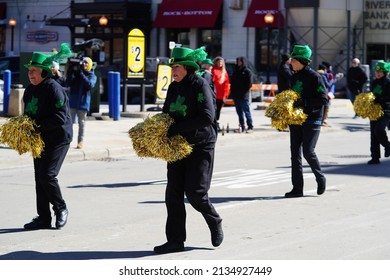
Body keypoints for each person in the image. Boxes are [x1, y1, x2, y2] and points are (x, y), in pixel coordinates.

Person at [154, 47, 223, 254]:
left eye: (176, 67)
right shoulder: (174, 87)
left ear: (186, 67)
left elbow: (207, 117)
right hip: (178, 145)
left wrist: (177, 127)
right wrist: (157, 128)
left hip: (201, 144)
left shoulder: (199, 84)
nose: (173, 71)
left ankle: (214, 220)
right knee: (173, 193)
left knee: (196, 193)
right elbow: (167, 113)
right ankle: (175, 240)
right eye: (171, 67)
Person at [22, 51, 73, 230]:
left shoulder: (54, 88)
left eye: (34, 71)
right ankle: (43, 218)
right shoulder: (29, 90)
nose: (31, 74)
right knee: (39, 178)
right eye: (29, 71)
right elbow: (27, 115)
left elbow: (60, 117)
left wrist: (37, 126)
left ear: (44, 72)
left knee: (47, 175)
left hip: (59, 138)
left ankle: (61, 208)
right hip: (40, 139)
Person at [285, 45, 328, 198]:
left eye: (294, 60)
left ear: (302, 61)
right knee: (294, 154)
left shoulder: (315, 77)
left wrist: (304, 102)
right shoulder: (294, 76)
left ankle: (320, 177)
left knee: (308, 152)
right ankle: (297, 188)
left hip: (312, 119)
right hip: (295, 119)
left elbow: (323, 99)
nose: (291, 62)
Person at [66, 57, 97, 149]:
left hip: (83, 103)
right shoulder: (76, 74)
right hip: (73, 101)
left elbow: (89, 85)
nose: (84, 64)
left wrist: (81, 74)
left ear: (90, 65)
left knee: (82, 123)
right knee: (69, 122)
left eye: (86, 63)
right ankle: (68, 141)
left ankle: (80, 142)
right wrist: (70, 72)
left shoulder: (92, 75)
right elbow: (68, 83)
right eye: (83, 63)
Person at [367, 61, 390, 164]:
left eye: (380, 71)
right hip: (374, 110)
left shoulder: (388, 82)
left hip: (386, 110)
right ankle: (375, 157)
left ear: (384, 72)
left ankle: (387, 146)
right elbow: (371, 95)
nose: (377, 73)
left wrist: (380, 99)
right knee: (373, 134)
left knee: (378, 130)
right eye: (376, 71)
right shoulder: (374, 82)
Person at [230, 56, 254, 133]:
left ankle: (250, 127)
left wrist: (243, 91)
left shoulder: (247, 71)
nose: (238, 63)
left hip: (244, 96)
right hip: (236, 96)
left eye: (240, 61)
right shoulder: (235, 71)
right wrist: (232, 93)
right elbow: (232, 83)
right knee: (239, 112)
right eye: (237, 61)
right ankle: (242, 127)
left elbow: (249, 84)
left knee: (246, 111)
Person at [211, 56, 230, 131]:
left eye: (221, 62)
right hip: (215, 94)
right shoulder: (213, 70)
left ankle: (216, 122)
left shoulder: (224, 72)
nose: (220, 63)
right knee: (213, 109)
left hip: (222, 95)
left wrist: (225, 96)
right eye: (218, 62)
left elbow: (227, 84)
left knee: (218, 110)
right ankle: (214, 123)